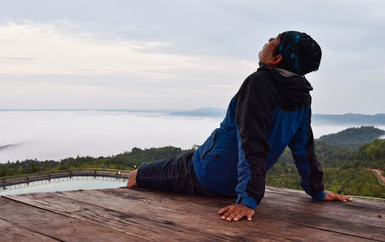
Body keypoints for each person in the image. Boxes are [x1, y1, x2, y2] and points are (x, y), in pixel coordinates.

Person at [127, 31, 352, 222]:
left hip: (205, 174)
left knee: (136, 175)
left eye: (275, 40)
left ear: (276, 59)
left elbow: (252, 142)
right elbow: (303, 147)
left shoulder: (259, 83)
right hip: (231, 178)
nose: (270, 39)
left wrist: (248, 200)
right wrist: (317, 191)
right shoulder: (301, 95)